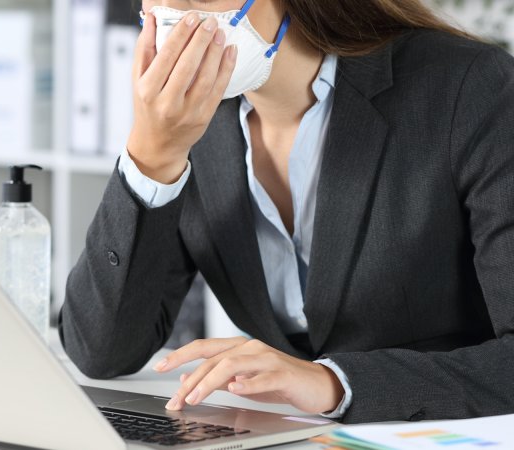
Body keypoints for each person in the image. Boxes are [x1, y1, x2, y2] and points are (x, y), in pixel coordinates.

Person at [58, 0, 514, 424]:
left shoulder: (471, 85)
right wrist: (151, 156)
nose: (177, 15)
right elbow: (101, 351)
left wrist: (331, 383)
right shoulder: (189, 123)